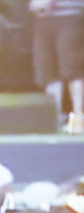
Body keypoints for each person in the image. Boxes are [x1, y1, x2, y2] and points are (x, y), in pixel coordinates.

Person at [29, 0, 84, 135]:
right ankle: (54, 119)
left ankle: (78, 117)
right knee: (48, 70)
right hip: (44, 18)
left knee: (72, 68)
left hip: (70, 15)